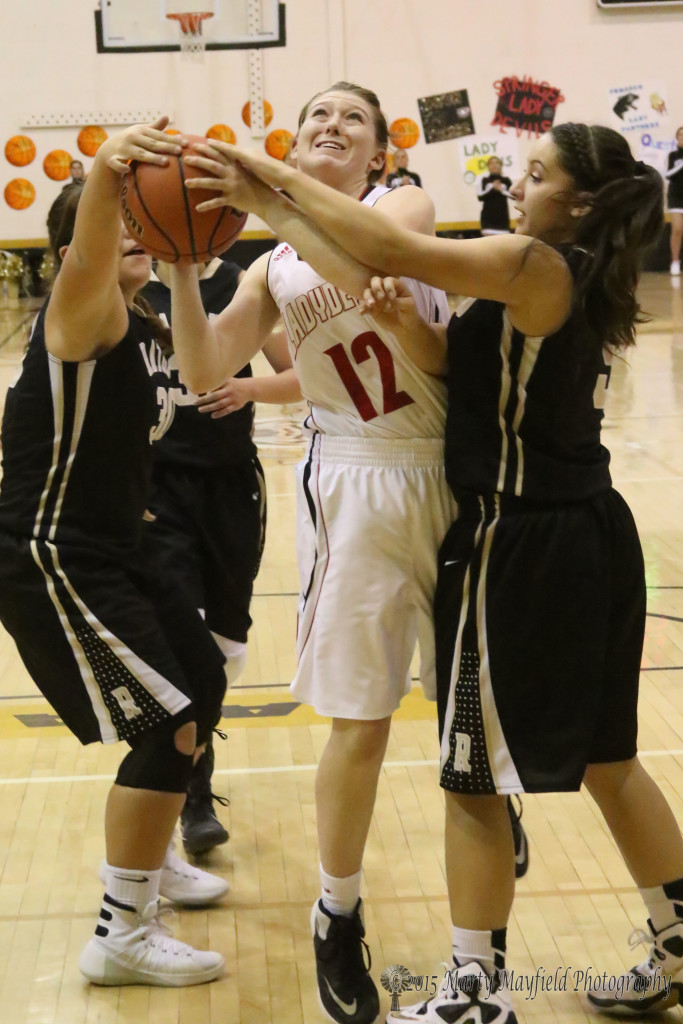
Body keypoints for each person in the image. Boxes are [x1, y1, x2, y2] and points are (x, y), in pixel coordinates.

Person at [201, 123, 683, 1021]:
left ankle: (475, 991)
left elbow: (385, 242)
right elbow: (456, 364)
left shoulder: (532, 263)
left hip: (519, 539)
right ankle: (678, 938)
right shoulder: (578, 273)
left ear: (574, 201)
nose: (516, 183)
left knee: (471, 776)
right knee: (610, 759)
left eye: (534, 174)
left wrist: (259, 180)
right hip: (593, 529)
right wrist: (391, 320)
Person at [161, 81, 457, 1024]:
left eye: (350, 121)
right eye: (314, 117)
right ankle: (338, 911)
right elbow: (208, 368)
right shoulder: (270, 264)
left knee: (474, 706)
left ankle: (491, 835)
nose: (329, 126)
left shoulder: (400, 202)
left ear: (377, 152)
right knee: (360, 716)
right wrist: (178, 265)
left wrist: (268, 192)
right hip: (357, 480)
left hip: (459, 470)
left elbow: (376, 250)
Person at [0, 120, 228, 987]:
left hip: (119, 543)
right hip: (53, 552)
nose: (135, 228)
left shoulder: (144, 324)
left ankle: (151, 856)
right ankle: (121, 932)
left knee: (200, 681)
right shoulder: (80, 311)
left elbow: (210, 378)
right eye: (120, 220)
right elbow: (93, 255)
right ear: (76, 248)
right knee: (165, 726)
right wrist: (106, 174)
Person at [140, 256, 300, 856]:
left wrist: (249, 387)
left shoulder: (244, 283)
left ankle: (189, 764)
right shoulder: (130, 291)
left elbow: (306, 373)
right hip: (156, 489)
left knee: (225, 651)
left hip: (231, 486)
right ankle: (191, 791)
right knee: (184, 645)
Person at [477, 156, 512, 235]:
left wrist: (501, 190)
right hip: (488, 221)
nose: (494, 165)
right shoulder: (484, 180)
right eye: (491, 163)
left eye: (497, 163)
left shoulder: (506, 180)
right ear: (488, 167)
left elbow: (514, 196)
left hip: (503, 221)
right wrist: (492, 188)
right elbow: (480, 197)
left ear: (501, 165)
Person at [666, 126, 683, 276]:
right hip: (676, 197)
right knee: (677, 228)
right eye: (681, 135)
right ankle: (675, 261)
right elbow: (668, 174)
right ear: (677, 138)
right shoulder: (673, 156)